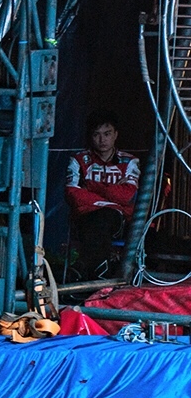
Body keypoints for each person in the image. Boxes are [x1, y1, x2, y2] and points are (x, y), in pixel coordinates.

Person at [65, 109, 140, 280]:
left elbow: (126, 196)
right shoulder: (78, 160)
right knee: (98, 220)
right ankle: (100, 273)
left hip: (117, 222)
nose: (102, 140)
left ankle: (84, 269)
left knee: (103, 218)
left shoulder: (129, 161)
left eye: (107, 134)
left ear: (116, 135)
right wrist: (111, 200)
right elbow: (72, 194)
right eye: (97, 134)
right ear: (90, 136)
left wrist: (91, 187)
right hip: (85, 218)